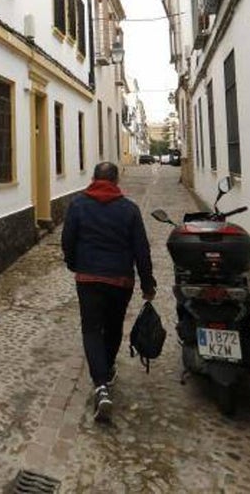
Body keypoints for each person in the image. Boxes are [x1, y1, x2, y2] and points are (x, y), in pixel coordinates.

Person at [61, 161, 156, 422]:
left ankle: (100, 384)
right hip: (120, 281)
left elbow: (68, 240)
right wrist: (148, 284)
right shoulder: (130, 210)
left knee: (91, 329)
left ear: (93, 178)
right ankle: (108, 368)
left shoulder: (78, 205)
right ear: (116, 181)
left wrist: (73, 263)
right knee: (113, 327)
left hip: (88, 278)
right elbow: (142, 251)